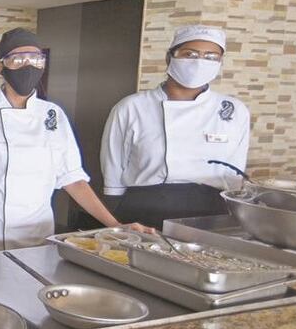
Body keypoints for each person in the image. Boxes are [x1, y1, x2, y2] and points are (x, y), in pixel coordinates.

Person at [0, 28, 148, 254]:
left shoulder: (53, 114)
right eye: (18, 59)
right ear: (1, 66)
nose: (28, 65)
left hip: (37, 237)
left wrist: (115, 225)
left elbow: (73, 179)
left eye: (36, 59)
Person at [101, 25, 250, 228]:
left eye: (211, 56)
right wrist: (113, 213)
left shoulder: (234, 110)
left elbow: (235, 172)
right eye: (190, 54)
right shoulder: (131, 107)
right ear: (170, 56)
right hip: (144, 207)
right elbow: (113, 166)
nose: (199, 62)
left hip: (211, 209)